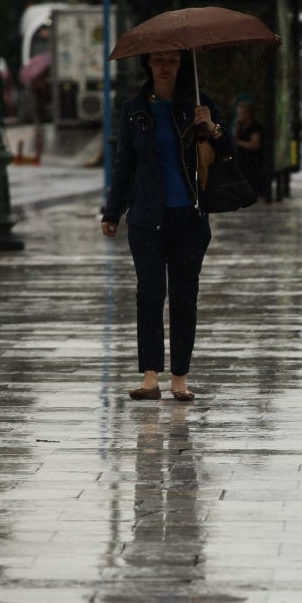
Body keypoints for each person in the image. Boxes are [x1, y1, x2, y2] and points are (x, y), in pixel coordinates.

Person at [100, 49, 235, 402]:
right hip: (146, 217)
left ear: (180, 65)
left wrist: (213, 128)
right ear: (148, 63)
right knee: (148, 294)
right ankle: (149, 376)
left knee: (184, 296)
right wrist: (112, 212)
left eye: (172, 60)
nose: (165, 66)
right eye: (158, 59)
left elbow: (228, 151)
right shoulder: (135, 109)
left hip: (189, 216)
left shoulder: (198, 103)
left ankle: (179, 377)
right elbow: (124, 162)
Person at [232, 95, 266, 200]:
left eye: (241, 114)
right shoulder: (241, 126)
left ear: (247, 114)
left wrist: (241, 143)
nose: (239, 116)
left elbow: (256, 144)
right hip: (243, 161)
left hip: (253, 162)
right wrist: (237, 125)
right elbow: (233, 139)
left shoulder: (254, 126)